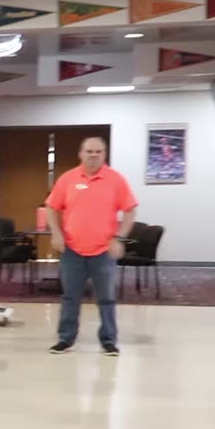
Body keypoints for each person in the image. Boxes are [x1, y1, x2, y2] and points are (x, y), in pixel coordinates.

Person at [46, 137, 138, 356]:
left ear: (104, 154)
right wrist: (56, 233)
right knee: (70, 297)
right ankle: (65, 339)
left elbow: (130, 210)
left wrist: (119, 237)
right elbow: (51, 207)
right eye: (89, 151)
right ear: (81, 153)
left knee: (106, 298)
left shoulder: (115, 180)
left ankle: (108, 341)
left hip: (103, 252)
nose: (93, 155)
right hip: (72, 251)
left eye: (98, 151)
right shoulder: (68, 179)